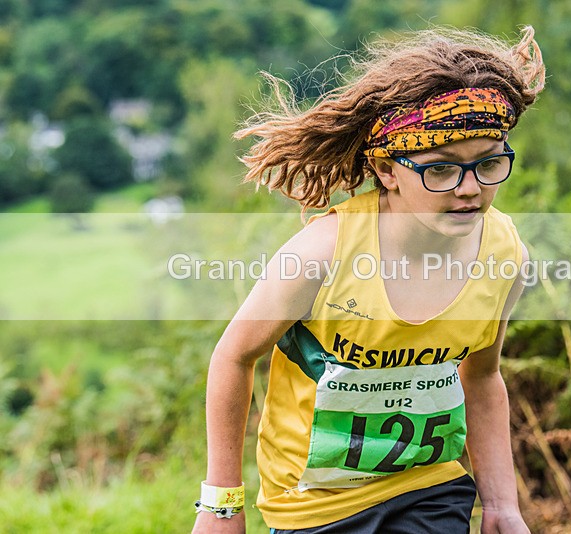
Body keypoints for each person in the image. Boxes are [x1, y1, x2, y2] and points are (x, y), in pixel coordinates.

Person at [192, 24, 545, 534]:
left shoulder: (505, 256)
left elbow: (482, 378)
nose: (470, 189)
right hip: (312, 505)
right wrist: (221, 506)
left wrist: (503, 506)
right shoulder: (322, 256)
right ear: (385, 170)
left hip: (429, 490)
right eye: (441, 170)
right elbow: (234, 356)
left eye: (489, 163)